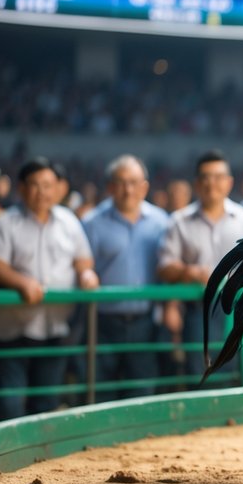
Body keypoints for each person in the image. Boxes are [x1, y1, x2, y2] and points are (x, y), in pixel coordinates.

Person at [0, 158, 98, 421]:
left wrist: (86, 273)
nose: (42, 192)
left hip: (55, 328)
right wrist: (21, 282)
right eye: (35, 185)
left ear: (57, 188)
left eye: (48, 185)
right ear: (22, 188)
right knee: (11, 403)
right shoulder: (5, 222)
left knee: (45, 403)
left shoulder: (69, 221)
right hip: (13, 329)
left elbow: (83, 258)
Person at [83, 154, 170, 402]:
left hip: (145, 321)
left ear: (145, 187)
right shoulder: (92, 223)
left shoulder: (161, 222)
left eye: (134, 183)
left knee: (141, 389)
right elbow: (83, 265)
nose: (128, 190)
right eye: (121, 183)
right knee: (103, 390)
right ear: (110, 187)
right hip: (103, 322)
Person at [157, 150, 243, 358]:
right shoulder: (179, 221)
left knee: (237, 369)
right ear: (196, 184)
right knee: (200, 367)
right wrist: (190, 272)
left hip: (240, 308)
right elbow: (164, 267)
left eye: (218, 177)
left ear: (229, 182)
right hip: (196, 310)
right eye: (205, 177)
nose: (211, 184)